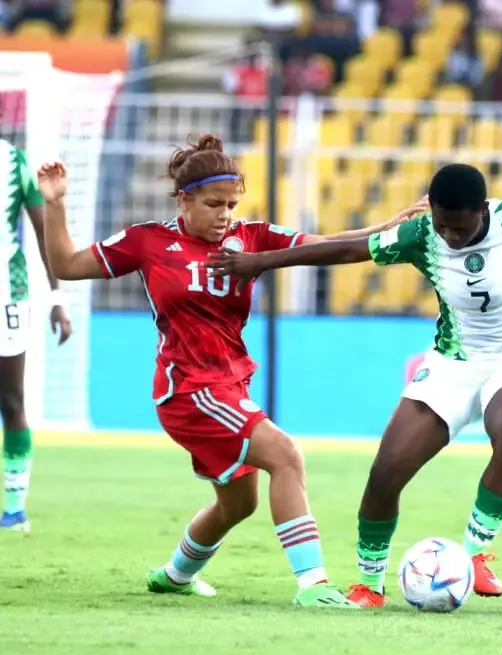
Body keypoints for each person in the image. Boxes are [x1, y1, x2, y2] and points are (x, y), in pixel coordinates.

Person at [207, 162, 502, 608]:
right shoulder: (421, 235)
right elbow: (348, 251)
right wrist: (263, 262)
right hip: (452, 363)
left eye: (461, 226)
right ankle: (369, 584)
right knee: (385, 473)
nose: (451, 236)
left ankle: (475, 553)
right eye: (443, 224)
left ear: (483, 210)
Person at [36, 134, 427, 608]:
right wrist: (54, 205)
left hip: (228, 384)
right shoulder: (148, 241)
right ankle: (314, 586)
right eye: (214, 204)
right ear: (184, 199)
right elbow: (67, 264)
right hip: (189, 388)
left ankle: (176, 575)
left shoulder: (252, 238)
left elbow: (329, 246)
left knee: (240, 503)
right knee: (286, 456)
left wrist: (390, 226)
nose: (225, 215)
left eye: (232, 205)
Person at [0, 137, 72, 533]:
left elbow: (44, 233)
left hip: (6, 295)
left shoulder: (14, 162)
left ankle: (14, 511)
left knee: (10, 401)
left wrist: (57, 297)